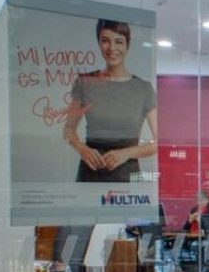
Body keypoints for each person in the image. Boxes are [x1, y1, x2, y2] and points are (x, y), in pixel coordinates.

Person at [63, 19, 158, 183]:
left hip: (127, 177)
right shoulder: (85, 83)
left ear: (127, 45)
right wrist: (82, 149)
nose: (112, 48)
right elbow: (68, 130)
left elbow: (159, 142)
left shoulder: (143, 89)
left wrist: (127, 153)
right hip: (90, 174)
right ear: (99, 43)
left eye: (118, 41)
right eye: (105, 41)